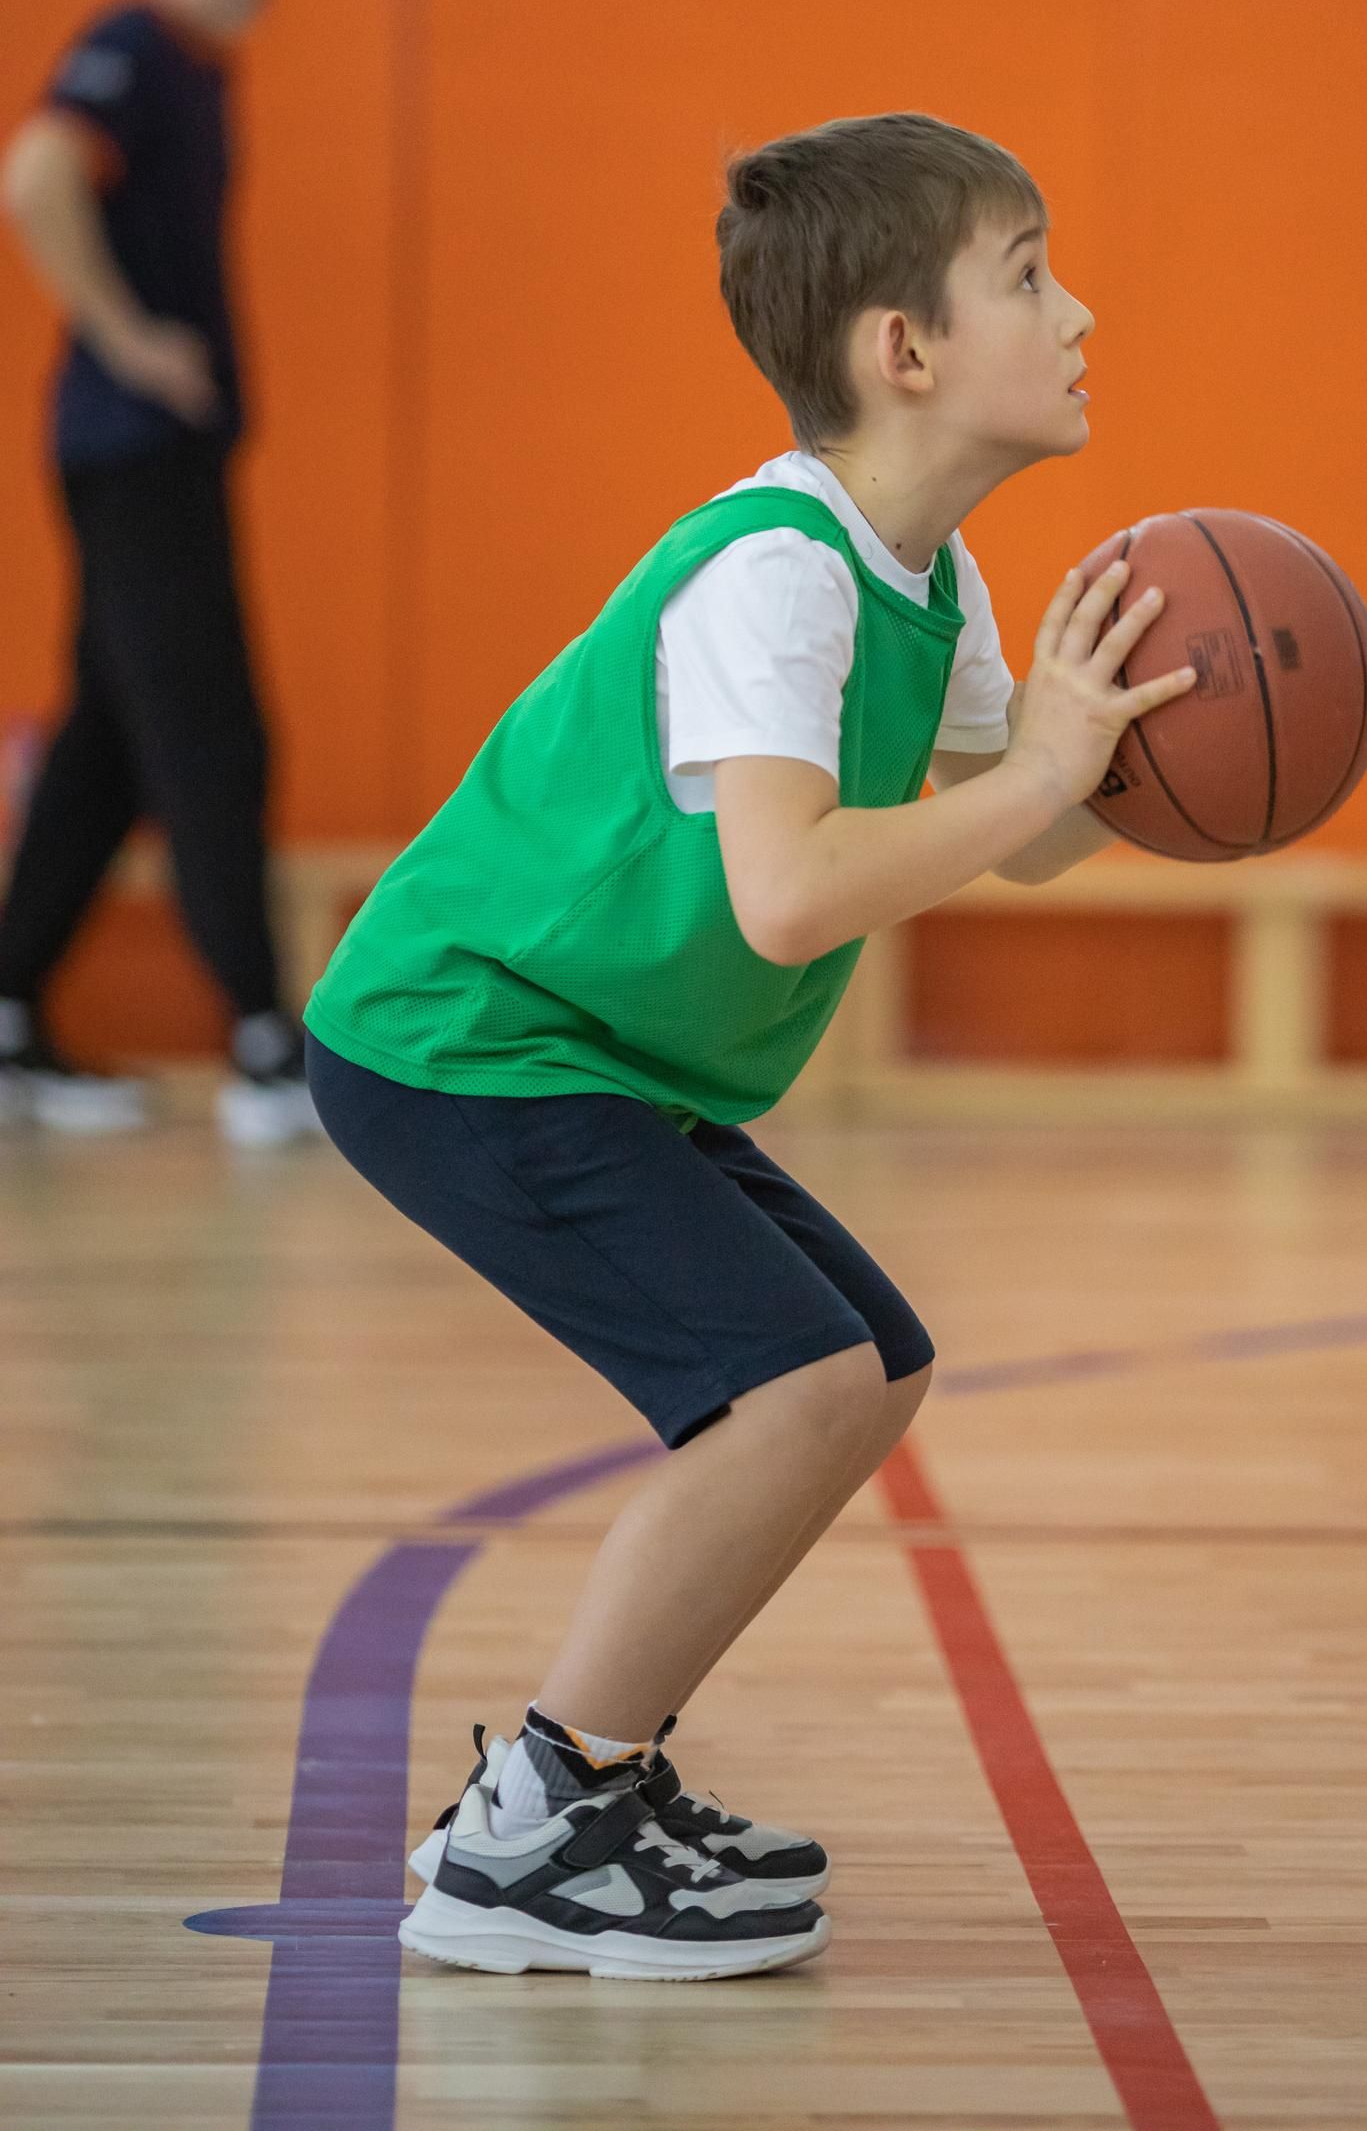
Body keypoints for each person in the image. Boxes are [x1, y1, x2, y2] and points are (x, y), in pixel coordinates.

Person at [303, 112, 1195, 1982]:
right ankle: (533, 1831)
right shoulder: (778, 574)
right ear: (907, 349)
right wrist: (1040, 763)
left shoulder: (925, 578)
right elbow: (793, 895)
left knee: (866, 1367)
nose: (1081, 310)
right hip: (468, 1040)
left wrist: (1152, 776)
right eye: (1031, 274)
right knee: (789, 1385)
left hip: (593, 1050)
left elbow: (1014, 831)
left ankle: (598, 1795)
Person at [0, 0, 321, 1147]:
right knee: (213, 732)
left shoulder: (195, 72)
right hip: (134, 458)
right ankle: (262, 1045)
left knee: (110, 748)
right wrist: (128, 339)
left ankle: (9, 1012)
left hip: (151, 460)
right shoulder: (130, 46)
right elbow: (34, 176)